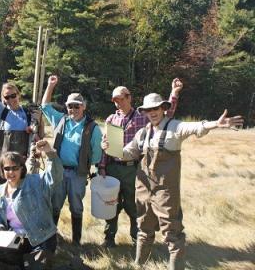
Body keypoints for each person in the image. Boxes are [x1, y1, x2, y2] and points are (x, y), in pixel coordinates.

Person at [101, 93, 243, 270]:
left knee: (172, 234)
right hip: (143, 188)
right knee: (143, 229)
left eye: (156, 108)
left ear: (163, 109)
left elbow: (196, 126)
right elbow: (127, 153)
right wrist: (111, 149)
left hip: (166, 191)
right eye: (148, 110)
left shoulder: (175, 127)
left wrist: (217, 124)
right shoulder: (142, 133)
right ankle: (139, 266)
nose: (152, 112)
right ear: (144, 112)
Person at [98, 78, 183, 248]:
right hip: (112, 168)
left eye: (121, 99)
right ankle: (109, 239)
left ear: (129, 98)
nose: (118, 103)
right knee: (111, 205)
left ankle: (137, 239)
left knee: (135, 206)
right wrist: (102, 167)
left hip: (134, 169)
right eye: (115, 100)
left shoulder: (142, 118)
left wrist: (174, 93)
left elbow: (167, 114)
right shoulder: (110, 120)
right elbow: (105, 146)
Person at [41, 75, 103, 245]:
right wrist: (50, 86)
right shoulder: (60, 120)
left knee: (76, 207)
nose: (73, 109)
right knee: (55, 205)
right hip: (58, 171)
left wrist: (94, 170)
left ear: (83, 107)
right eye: (70, 106)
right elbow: (45, 106)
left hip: (78, 174)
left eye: (77, 106)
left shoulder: (93, 128)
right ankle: (51, 239)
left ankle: (76, 242)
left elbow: (97, 153)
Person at [0, 140, 62, 269]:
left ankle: (29, 261)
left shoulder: (35, 182)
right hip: (15, 238)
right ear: (2, 170)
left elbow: (56, 176)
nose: (11, 172)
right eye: (7, 168)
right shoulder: (0, 191)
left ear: (22, 168)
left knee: (37, 266)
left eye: (15, 168)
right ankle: (22, 261)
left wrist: (50, 152)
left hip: (41, 238)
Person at [0, 63, 42, 184]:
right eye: (7, 97)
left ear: (18, 95)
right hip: (5, 166)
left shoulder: (29, 113)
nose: (11, 99)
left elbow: (39, 135)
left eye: (13, 95)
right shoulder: (3, 113)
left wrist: (37, 125)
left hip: (23, 164)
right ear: (3, 99)